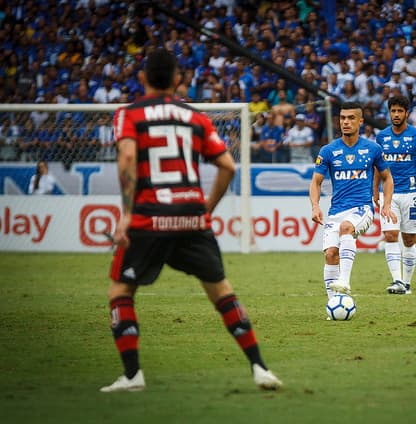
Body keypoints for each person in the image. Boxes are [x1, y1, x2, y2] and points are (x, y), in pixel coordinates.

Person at [101, 49, 282, 392]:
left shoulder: (129, 114)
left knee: (121, 290)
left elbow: (127, 156)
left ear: (142, 78)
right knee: (221, 292)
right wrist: (205, 209)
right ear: (177, 79)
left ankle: (132, 375)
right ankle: (260, 367)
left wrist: (126, 215)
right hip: (190, 216)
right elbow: (228, 165)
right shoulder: (195, 117)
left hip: (149, 216)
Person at [309, 102, 396, 299]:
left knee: (346, 228)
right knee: (331, 254)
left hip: (362, 208)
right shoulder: (328, 151)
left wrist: (387, 203)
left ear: (360, 121)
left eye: (350, 118)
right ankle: (334, 305)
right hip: (335, 211)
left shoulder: (373, 149)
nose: (346, 122)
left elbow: (387, 177)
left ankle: (345, 281)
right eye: (342, 118)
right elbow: (316, 182)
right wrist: (315, 206)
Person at [374, 96, 416, 295]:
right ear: (389, 113)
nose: (396, 115)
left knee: (409, 240)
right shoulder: (382, 137)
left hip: (411, 194)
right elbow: (377, 166)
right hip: (388, 195)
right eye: (393, 111)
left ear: (407, 113)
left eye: (400, 111)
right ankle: (397, 280)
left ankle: (406, 283)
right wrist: (374, 189)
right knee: (390, 235)